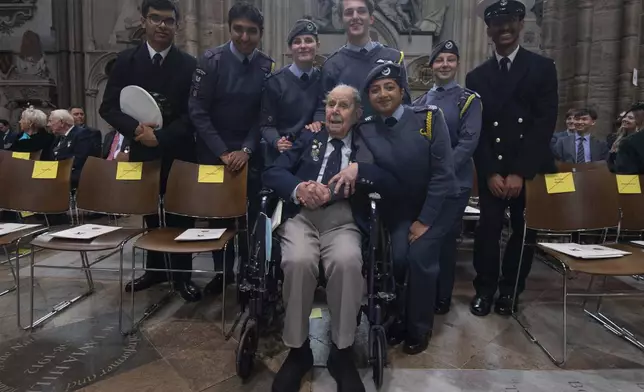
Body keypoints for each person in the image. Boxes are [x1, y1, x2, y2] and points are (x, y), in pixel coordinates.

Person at [263, 84, 400, 392]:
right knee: (297, 262)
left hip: (344, 221)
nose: (335, 111)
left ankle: (341, 352)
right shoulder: (309, 136)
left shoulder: (368, 141)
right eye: (331, 105)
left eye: (344, 106)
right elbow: (273, 172)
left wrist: (360, 170)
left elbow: (392, 180)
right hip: (302, 218)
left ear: (357, 113)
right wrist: (299, 189)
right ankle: (299, 352)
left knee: (348, 262)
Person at [99, 0, 200, 302]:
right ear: (143, 21)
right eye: (155, 19)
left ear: (177, 26)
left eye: (168, 21)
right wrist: (136, 131)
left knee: (181, 214)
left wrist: (163, 136)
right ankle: (154, 269)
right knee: (150, 213)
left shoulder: (189, 65)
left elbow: (192, 114)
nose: (162, 26)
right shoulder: (126, 61)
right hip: (142, 149)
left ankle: (183, 276)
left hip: (179, 151)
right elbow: (109, 107)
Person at [466, 0, 558, 317]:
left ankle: (510, 291)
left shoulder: (543, 68)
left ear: (520, 24)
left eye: (510, 21)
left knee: (523, 232)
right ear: (488, 30)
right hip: (493, 169)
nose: (504, 28)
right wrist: (490, 172)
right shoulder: (476, 77)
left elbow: (543, 124)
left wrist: (520, 172)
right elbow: (477, 131)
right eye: (497, 23)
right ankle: (485, 290)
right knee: (487, 231)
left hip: (527, 170)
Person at [360, 63, 455, 354]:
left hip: (437, 206)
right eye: (375, 90)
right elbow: (367, 170)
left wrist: (425, 220)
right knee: (398, 257)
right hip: (401, 209)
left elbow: (443, 174)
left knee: (419, 258)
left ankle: (419, 327)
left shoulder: (428, 119)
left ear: (403, 90)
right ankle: (397, 319)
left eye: (389, 87)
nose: (383, 94)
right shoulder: (366, 128)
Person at [189, 1, 275, 297]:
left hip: (249, 154)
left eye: (252, 31)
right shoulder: (210, 60)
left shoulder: (266, 66)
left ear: (260, 33)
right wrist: (224, 152)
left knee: (251, 217)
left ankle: (249, 275)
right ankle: (222, 273)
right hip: (214, 152)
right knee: (219, 217)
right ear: (230, 28)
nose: (244, 37)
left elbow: (263, 115)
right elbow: (197, 111)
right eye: (238, 29)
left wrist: (247, 150)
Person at [412, 40, 482, 315]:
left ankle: (442, 295)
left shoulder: (468, 100)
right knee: (425, 239)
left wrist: (440, 172)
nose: (444, 65)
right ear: (431, 66)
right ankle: (424, 294)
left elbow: (468, 142)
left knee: (444, 240)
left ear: (457, 64)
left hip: (453, 183)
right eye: (439, 60)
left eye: (450, 60)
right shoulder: (419, 102)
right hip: (425, 185)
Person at [309, 0, 410, 128]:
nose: (355, 17)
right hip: (349, 140)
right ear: (341, 21)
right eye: (349, 13)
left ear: (371, 19)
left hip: (389, 137)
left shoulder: (394, 58)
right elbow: (322, 109)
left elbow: (406, 105)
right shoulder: (331, 65)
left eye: (361, 11)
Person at [259, 19, 322, 166]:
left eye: (308, 40)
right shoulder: (275, 82)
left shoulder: (323, 78)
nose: (303, 46)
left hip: (312, 155)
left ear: (317, 46)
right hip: (282, 156)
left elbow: (323, 107)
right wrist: (276, 141)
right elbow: (265, 125)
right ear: (290, 48)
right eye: (297, 42)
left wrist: (319, 121)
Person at [612, 102, 644, 174]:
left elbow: (625, 175)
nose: (625, 120)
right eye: (625, 117)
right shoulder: (626, 142)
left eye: (631, 118)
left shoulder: (628, 142)